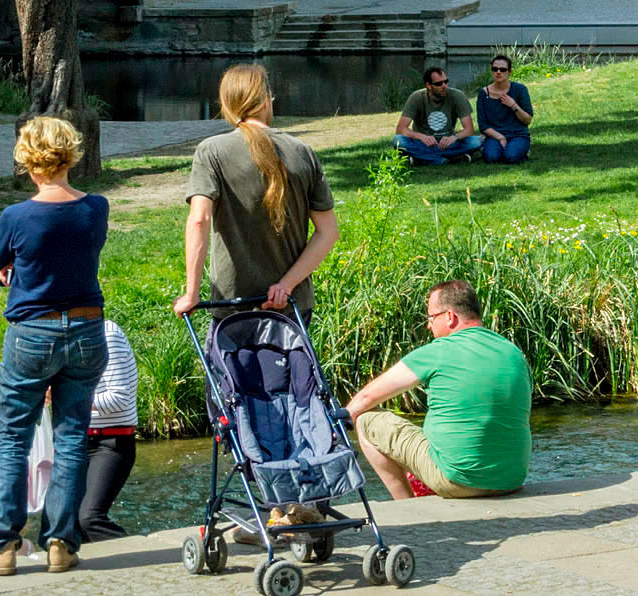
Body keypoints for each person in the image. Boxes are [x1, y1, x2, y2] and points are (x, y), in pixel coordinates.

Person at [0, 117, 109, 577]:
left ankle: (0, 546)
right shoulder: (96, 207)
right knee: (72, 437)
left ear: (27, 161)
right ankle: (61, 542)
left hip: (32, 332)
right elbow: (83, 251)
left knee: (13, 438)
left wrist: (13, 272)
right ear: (71, 156)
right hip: (86, 328)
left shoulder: (15, 216)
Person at [175, 64, 338, 317]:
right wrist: (286, 286)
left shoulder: (211, 152)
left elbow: (199, 220)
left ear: (227, 103)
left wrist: (192, 293)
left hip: (232, 305)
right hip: (291, 305)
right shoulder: (302, 152)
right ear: (265, 102)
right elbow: (328, 232)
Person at [345, 280, 532, 498]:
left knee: (366, 420)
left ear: (450, 316)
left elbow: (367, 396)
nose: (428, 325)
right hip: (511, 479)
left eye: (431, 318)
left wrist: (334, 427)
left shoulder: (439, 351)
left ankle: (407, 508)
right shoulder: (513, 353)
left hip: (457, 481)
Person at [76, 319, 138, 542]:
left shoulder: (107, 334)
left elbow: (119, 398)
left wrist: (69, 397)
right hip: (78, 441)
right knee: (65, 522)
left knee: (89, 519)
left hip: (112, 443)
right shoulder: (64, 339)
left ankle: (137, 553)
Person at [394, 67, 482, 166]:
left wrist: (454, 137)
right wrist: (422, 137)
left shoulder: (457, 96)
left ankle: (423, 159)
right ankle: (448, 159)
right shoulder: (416, 97)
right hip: (423, 144)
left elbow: (469, 130)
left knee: (476, 142)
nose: (444, 86)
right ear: (428, 85)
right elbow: (401, 129)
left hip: (449, 144)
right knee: (398, 140)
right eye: (438, 84)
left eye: (446, 82)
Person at [474, 57, 534, 164]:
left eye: (503, 69)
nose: (498, 72)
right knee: (491, 158)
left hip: (517, 134)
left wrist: (513, 105)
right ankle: (493, 148)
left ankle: (522, 150)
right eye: (495, 69)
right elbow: (483, 126)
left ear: (509, 72)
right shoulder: (483, 93)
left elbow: (527, 120)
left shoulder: (520, 90)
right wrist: (501, 138)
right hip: (495, 136)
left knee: (511, 157)